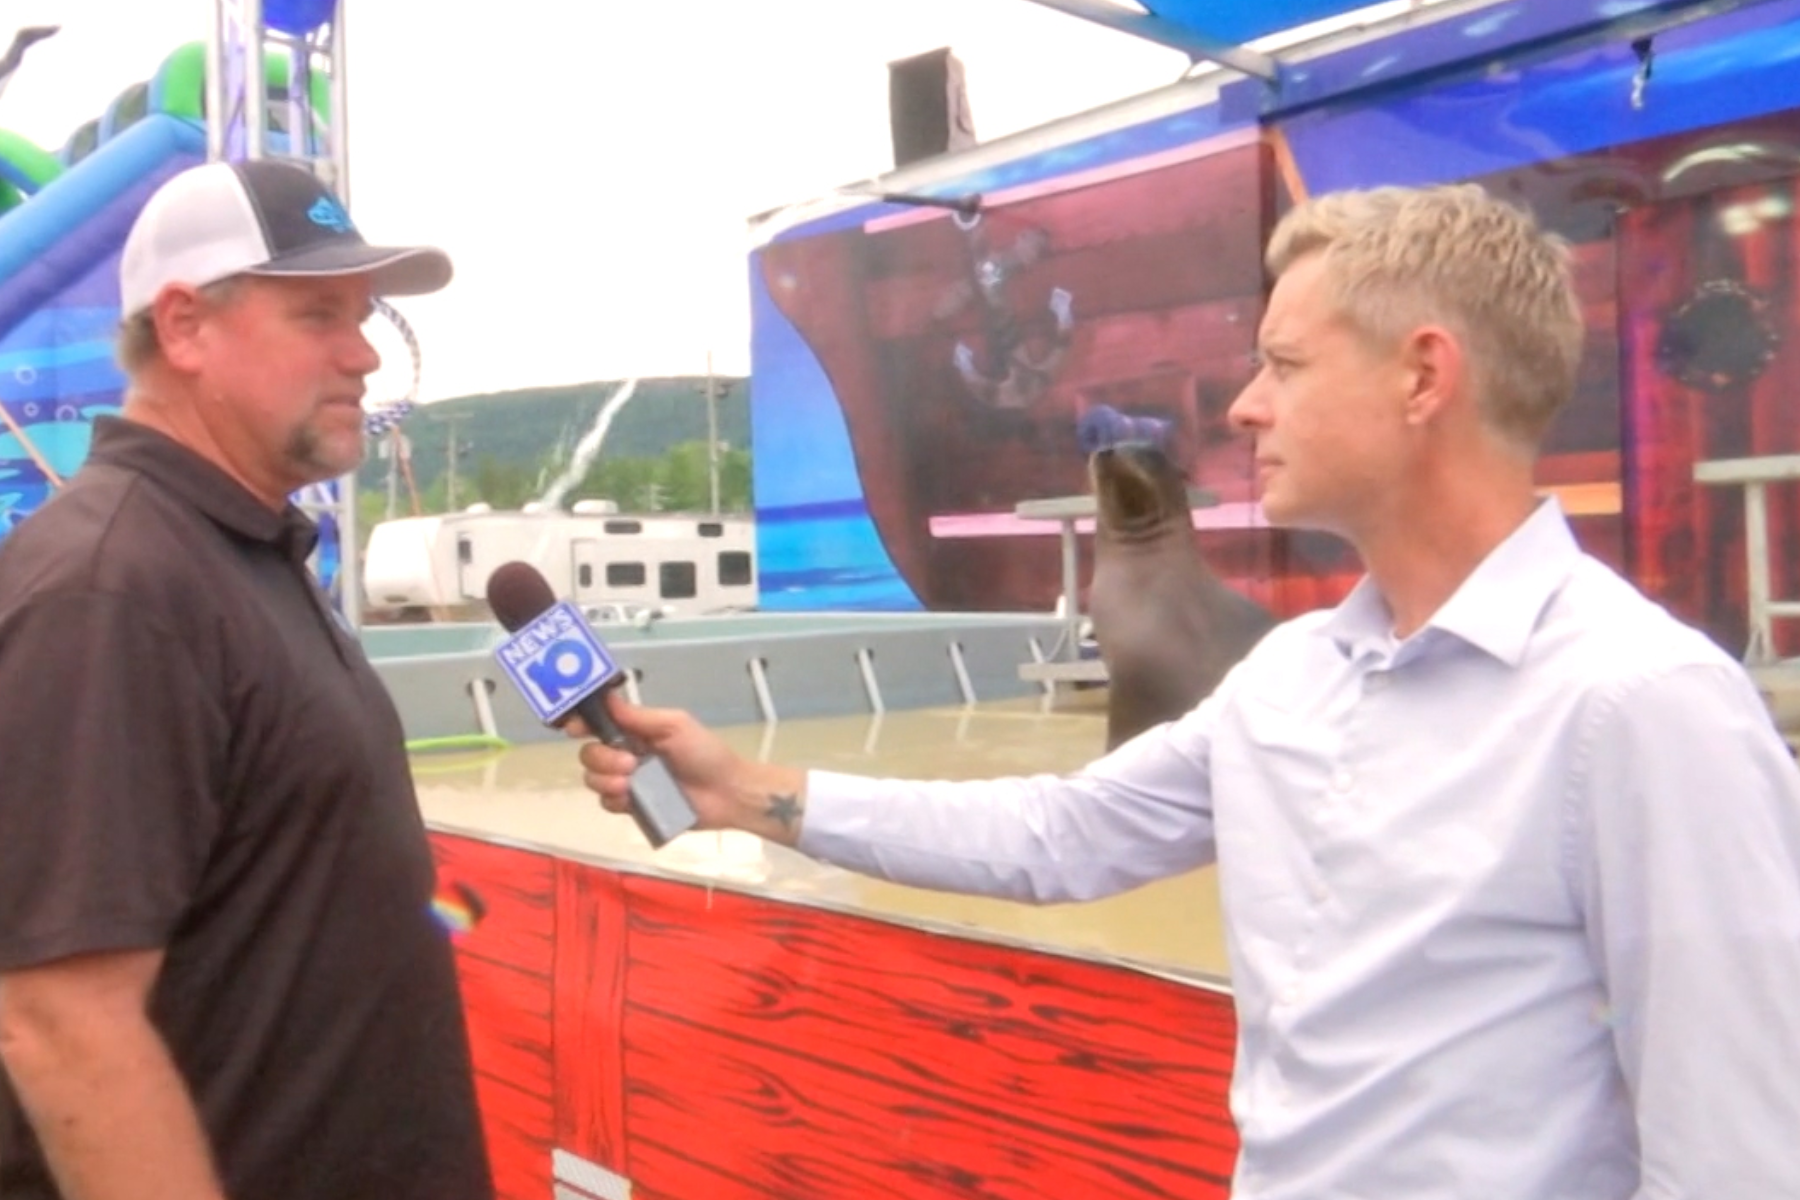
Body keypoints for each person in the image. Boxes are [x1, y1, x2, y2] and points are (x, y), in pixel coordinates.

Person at [577, 183, 1800, 1198]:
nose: (1247, 404)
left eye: (1282, 362)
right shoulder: (1293, 673)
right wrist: (746, 793)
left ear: (1424, 377)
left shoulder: (1642, 706)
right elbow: (1059, 835)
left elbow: (1734, 1163)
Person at [0, 160, 492, 1200]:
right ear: (184, 328)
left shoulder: (244, 554)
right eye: (319, 314)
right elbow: (62, 1021)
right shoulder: (113, 588)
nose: (362, 354)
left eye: (364, 316)